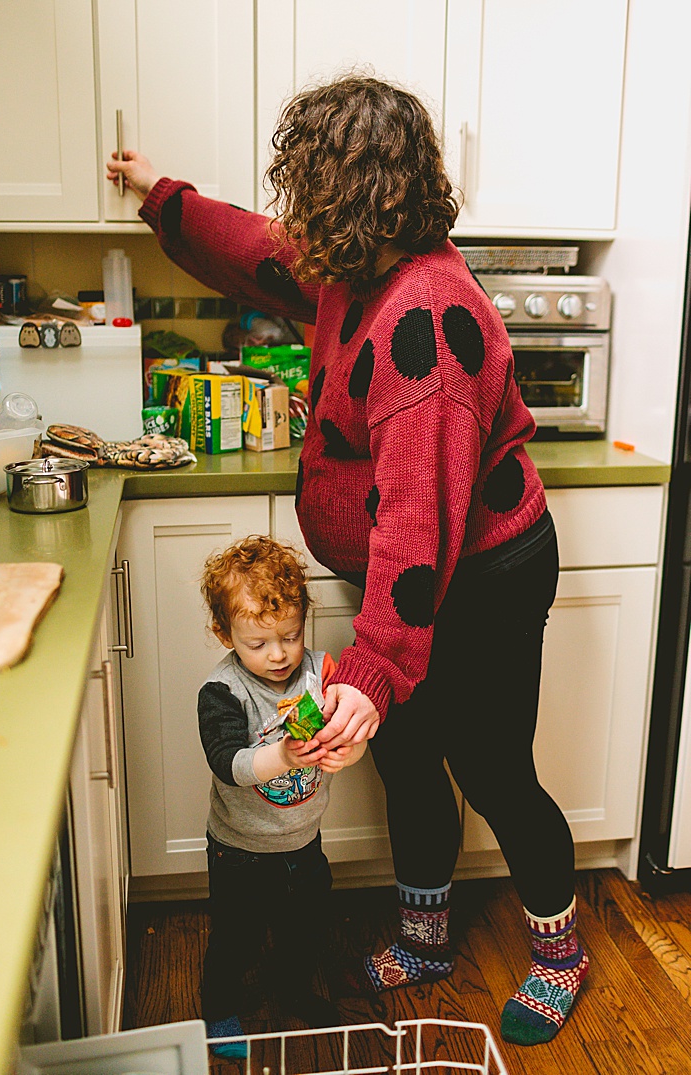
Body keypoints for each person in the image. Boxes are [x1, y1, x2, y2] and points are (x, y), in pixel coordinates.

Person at [109, 75, 584, 1047]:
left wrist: (371, 666)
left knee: (493, 768)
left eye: (307, 187)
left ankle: (559, 950)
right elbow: (253, 248)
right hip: (407, 573)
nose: (293, 209)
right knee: (407, 757)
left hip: (483, 571)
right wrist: (162, 193)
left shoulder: (428, 317)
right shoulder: (350, 267)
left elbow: (419, 520)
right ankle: (425, 936)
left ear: (347, 192)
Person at [196, 536, 364, 1057]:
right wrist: (285, 758)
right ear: (225, 635)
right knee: (235, 937)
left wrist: (345, 751)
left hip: (304, 842)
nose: (278, 654)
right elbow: (229, 765)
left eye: (290, 636)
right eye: (258, 643)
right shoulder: (223, 692)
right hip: (240, 851)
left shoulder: (317, 673)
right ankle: (219, 1006)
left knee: (305, 931)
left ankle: (294, 987)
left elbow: (348, 738)